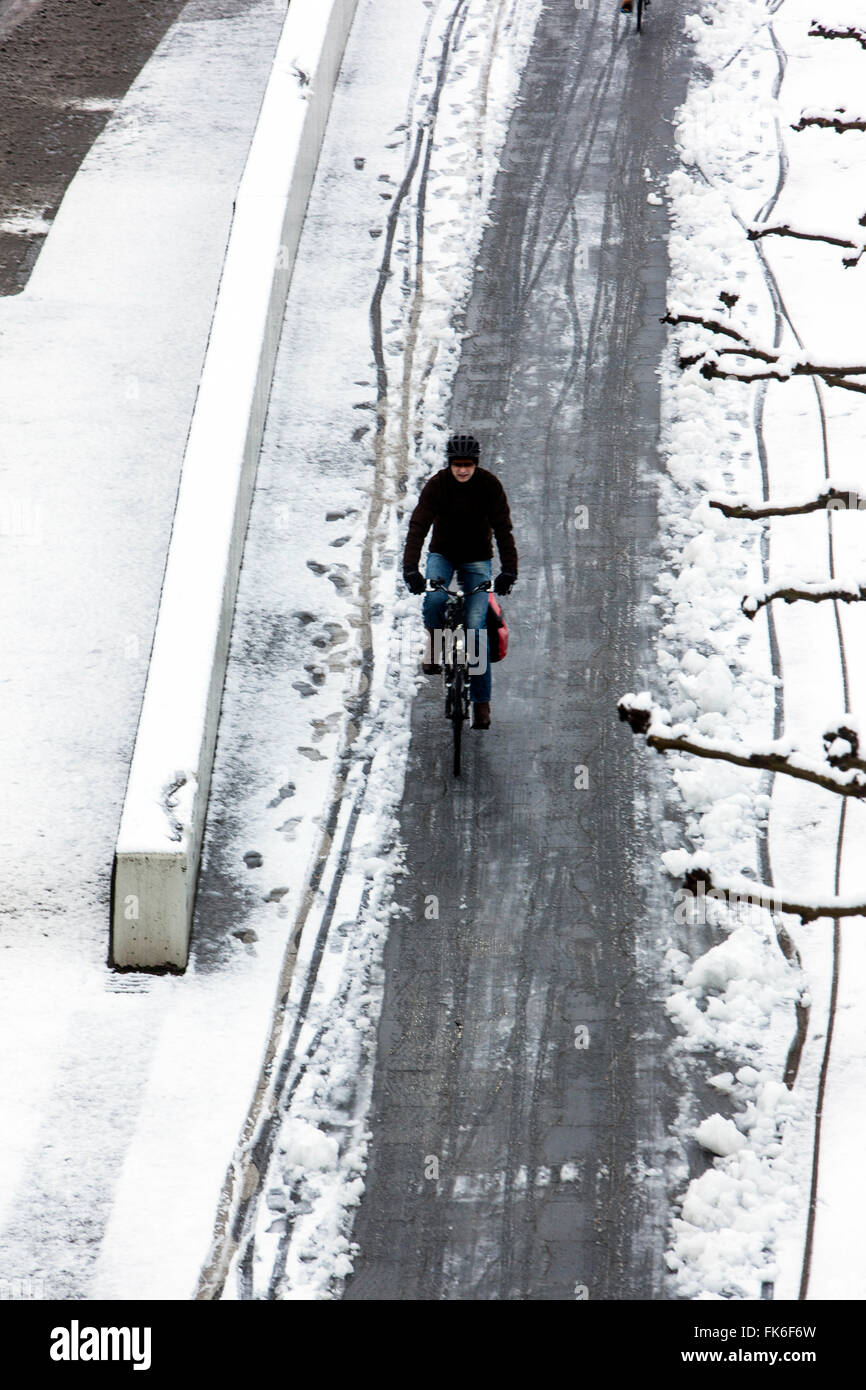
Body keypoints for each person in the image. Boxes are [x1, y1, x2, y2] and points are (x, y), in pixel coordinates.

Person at [402, 433, 518, 730]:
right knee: (435, 600)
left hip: (477, 559)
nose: (463, 470)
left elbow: (503, 530)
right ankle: (434, 648)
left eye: (467, 465)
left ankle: (481, 703)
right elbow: (418, 527)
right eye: (457, 465)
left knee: (476, 632)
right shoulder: (437, 486)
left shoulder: (490, 486)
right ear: (450, 464)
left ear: (475, 464)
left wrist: (508, 572)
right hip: (443, 554)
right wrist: (411, 569)